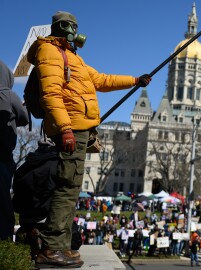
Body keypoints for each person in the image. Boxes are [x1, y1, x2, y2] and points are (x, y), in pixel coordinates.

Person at [28, 11, 151, 268]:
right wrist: (65, 128)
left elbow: (101, 80)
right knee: (65, 189)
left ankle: (61, 246)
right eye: (71, 27)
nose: (75, 32)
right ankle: (50, 248)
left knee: (71, 190)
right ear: (62, 28)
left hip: (80, 128)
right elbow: (50, 94)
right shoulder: (49, 52)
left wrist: (135, 81)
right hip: (71, 127)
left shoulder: (72, 57)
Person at [0, 60, 29, 240]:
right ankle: (3, 240)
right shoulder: (8, 95)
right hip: (2, 156)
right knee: (3, 202)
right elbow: (24, 118)